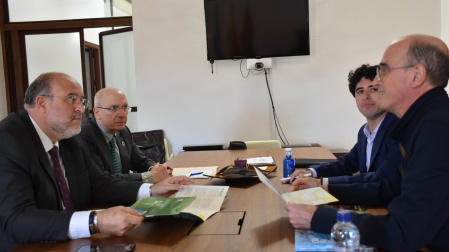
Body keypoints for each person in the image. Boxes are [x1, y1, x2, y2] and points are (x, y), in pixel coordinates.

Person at [286, 35, 449, 251]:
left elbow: (404, 231)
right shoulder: (423, 123)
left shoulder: (436, 130)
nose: (378, 82)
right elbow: (389, 188)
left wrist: (320, 218)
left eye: (384, 70)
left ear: (417, 74)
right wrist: (322, 188)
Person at [0, 72, 194, 251]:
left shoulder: (70, 137)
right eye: (71, 99)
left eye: (81, 101)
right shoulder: (8, 141)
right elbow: (15, 219)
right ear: (41, 103)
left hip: (75, 242)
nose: (80, 109)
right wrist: (95, 221)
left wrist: (151, 190)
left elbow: (100, 183)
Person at [284, 64, 401, 186]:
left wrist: (321, 182)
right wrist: (311, 172)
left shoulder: (398, 130)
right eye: (360, 91)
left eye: (373, 89)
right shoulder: (364, 132)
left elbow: (382, 179)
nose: (366, 96)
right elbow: (348, 162)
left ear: (386, 92)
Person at [81, 88, 172, 183]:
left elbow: (140, 161)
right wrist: (149, 176)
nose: (122, 114)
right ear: (97, 112)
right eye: (113, 108)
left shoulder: (123, 131)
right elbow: (105, 179)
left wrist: (157, 169)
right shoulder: (86, 135)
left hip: (126, 193)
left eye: (125, 107)